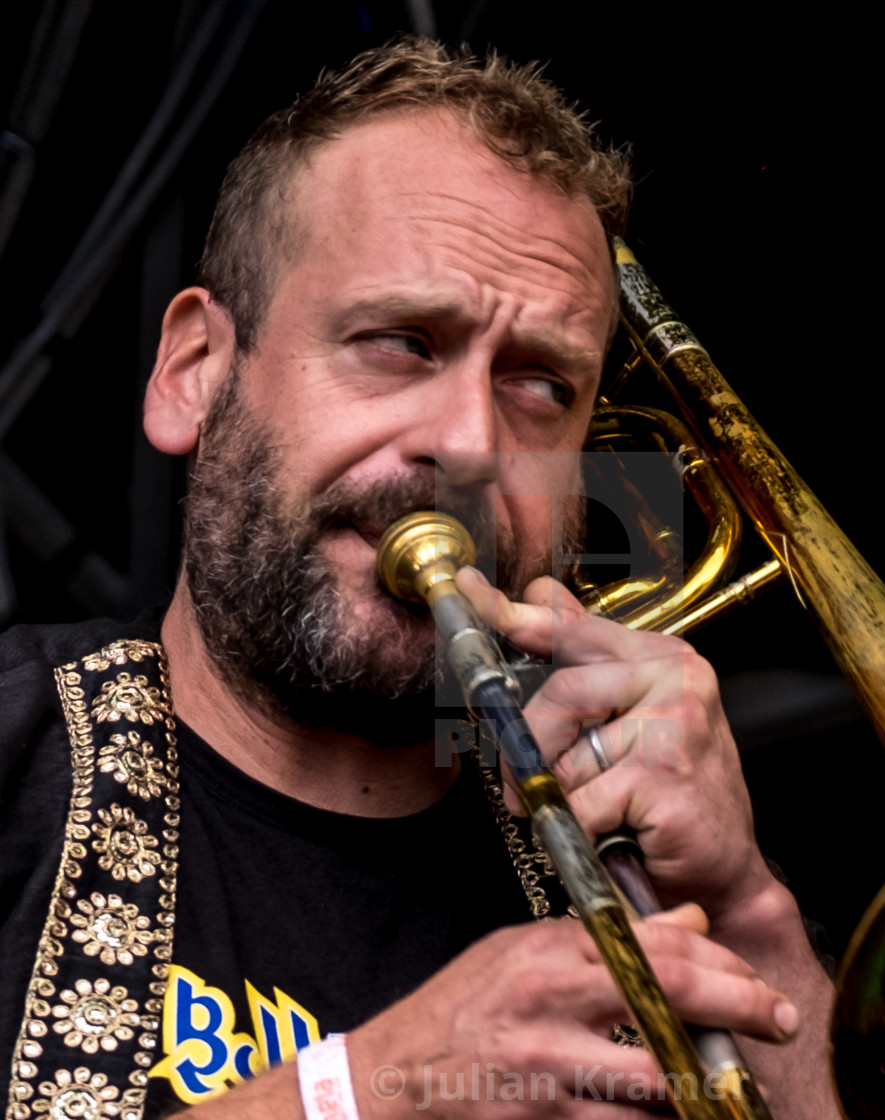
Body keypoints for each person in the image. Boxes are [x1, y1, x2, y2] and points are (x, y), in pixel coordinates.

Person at [0, 38, 839, 1120]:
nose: (469, 442)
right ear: (194, 373)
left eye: (540, 384)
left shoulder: (670, 886)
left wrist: (745, 910)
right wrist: (369, 1090)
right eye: (399, 341)